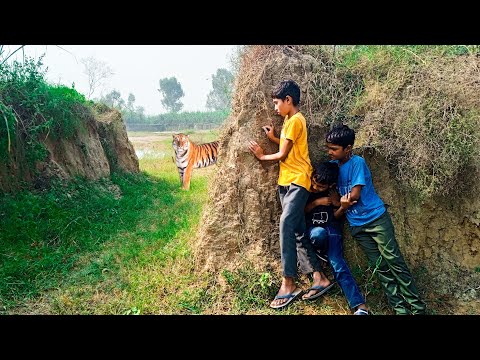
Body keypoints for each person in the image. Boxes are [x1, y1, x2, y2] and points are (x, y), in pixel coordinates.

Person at [325, 124, 426, 315]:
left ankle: (418, 308)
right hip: (357, 226)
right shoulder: (332, 167)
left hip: (376, 219)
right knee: (380, 267)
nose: (329, 152)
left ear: (348, 148)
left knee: (394, 261)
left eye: (334, 149)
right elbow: (334, 197)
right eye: (328, 148)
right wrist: (340, 202)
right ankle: (400, 309)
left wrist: (341, 202)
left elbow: (354, 195)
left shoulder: (357, 163)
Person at [248, 79, 330, 309]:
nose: (275, 108)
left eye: (277, 103)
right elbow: (289, 146)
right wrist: (274, 137)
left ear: (288, 100)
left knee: (286, 223)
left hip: (298, 180)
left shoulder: (296, 120)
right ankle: (319, 278)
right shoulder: (288, 120)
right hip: (285, 181)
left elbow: (283, 155)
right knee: (297, 231)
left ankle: (289, 282)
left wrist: (263, 156)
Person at [299, 161, 369, 315]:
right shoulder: (307, 190)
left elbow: (336, 216)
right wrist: (317, 202)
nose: (315, 187)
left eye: (320, 187)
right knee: (317, 234)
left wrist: (341, 206)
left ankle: (360, 307)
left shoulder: (333, 194)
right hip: (314, 231)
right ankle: (320, 251)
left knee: (339, 265)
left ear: (330, 186)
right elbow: (301, 211)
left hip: (332, 230)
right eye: (315, 183)